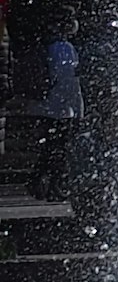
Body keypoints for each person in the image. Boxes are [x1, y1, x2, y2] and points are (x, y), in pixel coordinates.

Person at [31, 19, 80, 203]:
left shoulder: (48, 45)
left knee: (50, 148)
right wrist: (76, 109)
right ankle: (51, 185)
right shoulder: (64, 48)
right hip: (61, 108)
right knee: (58, 149)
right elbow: (69, 82)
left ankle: (41, 182)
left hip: (46, 106)